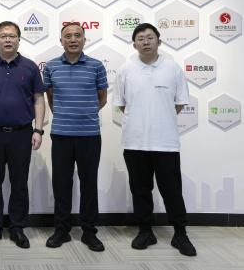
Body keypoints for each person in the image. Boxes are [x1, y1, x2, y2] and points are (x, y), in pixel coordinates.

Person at [113, 23, 196, 256]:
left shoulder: (173, 68)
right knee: (140, 190)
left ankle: (180, 234)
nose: (146, 41)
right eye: (140, 38)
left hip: (165, 142)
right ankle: (145, 231)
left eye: (150, 37)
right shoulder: (125, 70)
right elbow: (121, 104)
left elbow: (179, 102)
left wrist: (160, 118)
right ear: (134, 44)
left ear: (159, 41)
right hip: (134, 142)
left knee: (172, 190)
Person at [0, 21, 46, 249]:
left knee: (19, 182)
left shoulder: (30, 67)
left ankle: (17, 227)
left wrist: (38, 129)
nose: (7, 39)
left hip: (21, 134)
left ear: (19, 39)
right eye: (3, 35)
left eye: (12, 36)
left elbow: (39, 100)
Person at [42, 22, 108, 252]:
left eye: (77, 35)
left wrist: (85, 113)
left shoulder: (96, 66)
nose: (72, 39)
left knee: (89, 183)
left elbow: (102, 98)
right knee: (61, 184)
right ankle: (62, 230)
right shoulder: (51, 66)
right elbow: (50, 97)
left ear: (84, 39)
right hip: (61, 134)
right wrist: (65, 114)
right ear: (61, 41)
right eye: (68, 36)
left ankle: (89, 232)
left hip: (89, 135)